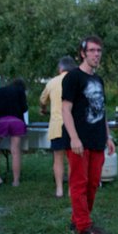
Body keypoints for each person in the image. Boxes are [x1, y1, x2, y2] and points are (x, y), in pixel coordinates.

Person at [61, 36, 116, 234]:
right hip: (79, 141)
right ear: (83, 53)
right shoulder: (73, 77)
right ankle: (84, 227)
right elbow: (65, 109)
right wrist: (74, 138)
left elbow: (102, 110)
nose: (96, 54)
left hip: (97, 139)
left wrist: (108, 137)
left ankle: (79, 220)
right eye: (92, 50)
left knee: (93, 184)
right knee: (79, 183)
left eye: (99, 51)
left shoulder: (98, 80)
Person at [40, 56, 77, 198]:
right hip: (73, 125)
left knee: (58, 158)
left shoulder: (52, 82)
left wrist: (43, 109)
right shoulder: (77, 81)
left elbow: (42, 100)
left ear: (60, 68)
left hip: (57, 125)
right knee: (72, 159)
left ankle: (59, 190)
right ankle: (71, 190)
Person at [0, 78, 28, 187]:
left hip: (1, 121)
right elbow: (24, 109)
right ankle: (16, 181)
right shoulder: (20, 91)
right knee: (15, 151)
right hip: (17, 122)